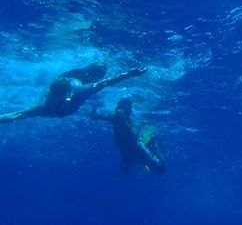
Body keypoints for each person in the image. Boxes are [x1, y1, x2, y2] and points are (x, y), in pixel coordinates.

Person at [0, 65, 147, 123]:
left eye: (59, 99)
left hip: (80, 77)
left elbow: (105, 82)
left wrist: (130, 74)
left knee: (100, 70)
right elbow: (18, 115)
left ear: (67, 95)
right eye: (52, 98)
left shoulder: (79, 93)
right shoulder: (45, 107)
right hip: (63, 78)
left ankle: (102, 57)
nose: (55, 102)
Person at [90, 97, 165, 174]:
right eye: (120, 108)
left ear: (129, 112)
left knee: (161, 168)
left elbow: (133, 138)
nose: (121, 111)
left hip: (139, 153)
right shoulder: (113, 117)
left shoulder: (135, 124)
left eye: (124, 109)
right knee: (125, 170)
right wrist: (93, 111)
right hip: (126, 154)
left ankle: (153, 144)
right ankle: (147, 143)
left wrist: (123, 122)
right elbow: (95, 116)